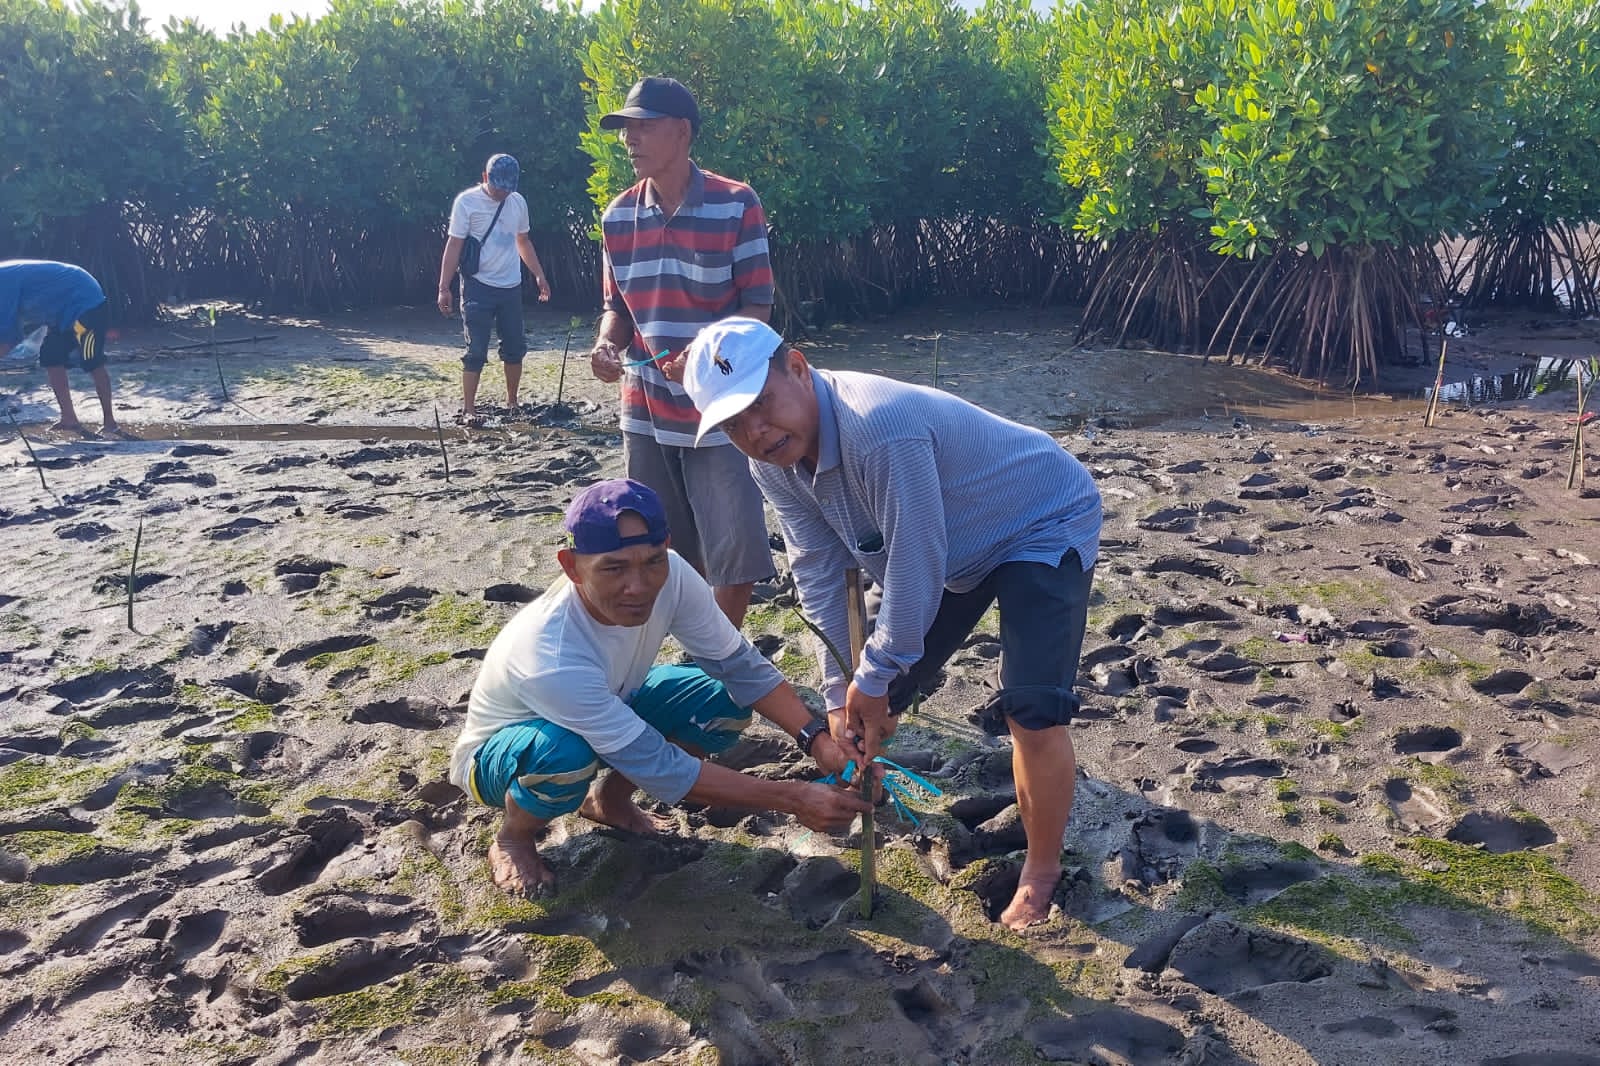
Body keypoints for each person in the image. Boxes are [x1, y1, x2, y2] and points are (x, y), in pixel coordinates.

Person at [681, 318, 1104, 931]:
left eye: (761, 403)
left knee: (1031, 710)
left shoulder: (878, 430)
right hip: (948, 544)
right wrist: (838, 692)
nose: (754, 430)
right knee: (862, 691)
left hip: (1037, 521)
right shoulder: (770, 459)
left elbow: (914, 564)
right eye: (731, 423)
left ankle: (1040, 872)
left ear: (797, 367)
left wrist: (874, 674)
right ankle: (868, 774)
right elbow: (821, 568)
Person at [448, 477, 872, 898]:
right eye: (613, 568)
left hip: (612, 704)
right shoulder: (549, 654)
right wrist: (794, 798)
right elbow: (658, 765)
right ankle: (513, 837)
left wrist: (816, 739)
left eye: (653, 561)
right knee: (563, 755)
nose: (639, 586)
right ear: (571, 566)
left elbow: (739, 666)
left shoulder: (675, 576)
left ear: (666, 548)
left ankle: (609, 801)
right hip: (501, 754)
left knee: (722, 699)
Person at [587, 76, 774, 627]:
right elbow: (617, 308)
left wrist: (704, 353)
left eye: (644, 126)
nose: (630, 139)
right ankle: (700, 648)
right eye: (626, 128)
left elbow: (758, 309)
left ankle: (722, 655)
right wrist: (605, 344)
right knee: (658, 543)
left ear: (683, 133)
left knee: (733, 547)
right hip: (644, 408)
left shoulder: (738, 204)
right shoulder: (616, 217)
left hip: (722, 405)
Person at [437, 153, 551, 425]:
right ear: (485, 177)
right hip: (478, 286)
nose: (503, 192)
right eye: (498, 186)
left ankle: (512, 402)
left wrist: (539, 275)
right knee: (475, 349)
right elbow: (454, 245)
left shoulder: (517, 202)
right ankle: (469, 409)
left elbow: (523, 240)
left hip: (511, 286)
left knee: (514, 347)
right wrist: (444, 287)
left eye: (508, 187)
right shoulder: (467, 202)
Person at [0, 259, 123, 435]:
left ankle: (110, 422)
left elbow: (8, 337)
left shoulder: (2, 284)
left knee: (91, 359)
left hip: (84, 303)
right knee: (51, 356)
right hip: (60, 314)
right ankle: (69, 419)